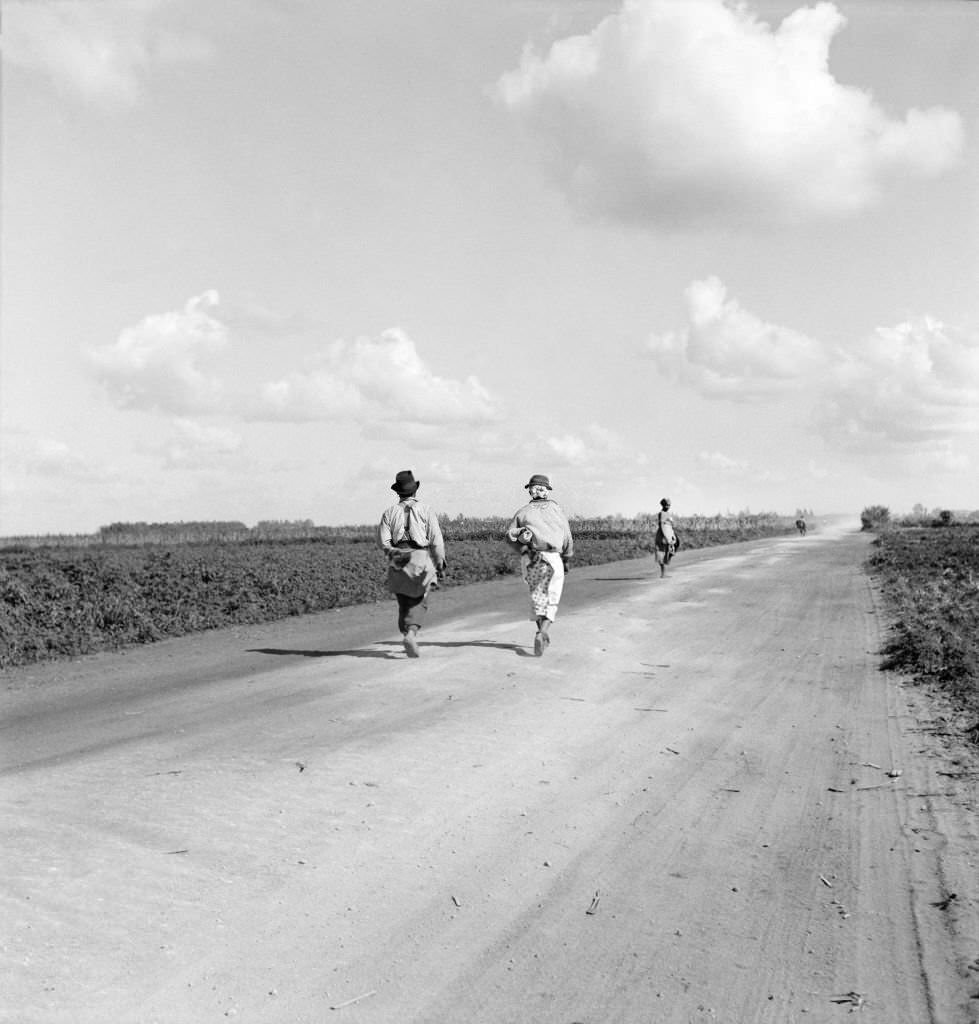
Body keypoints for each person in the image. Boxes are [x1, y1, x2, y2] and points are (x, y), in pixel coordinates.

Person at [377, 470, 446, 658]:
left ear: (398, 492)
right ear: (415, 491)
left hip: (397, 558)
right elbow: (436, 539)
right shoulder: (426, 510)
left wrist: (393, 553)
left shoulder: (389, 513)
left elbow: (384, 542)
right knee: (420, 599)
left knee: (403, 601)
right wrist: (440, 562)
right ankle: (410, 633)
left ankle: (405, 631)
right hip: (420, 557)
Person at [505, 474, 574, 656]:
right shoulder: (557, 510)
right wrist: (567, 557)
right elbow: (567, 537)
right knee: (552, 597)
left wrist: (522, 547)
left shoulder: (523, 512)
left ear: (530, 490)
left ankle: (540, 633)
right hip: (552, 557)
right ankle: (542, 632)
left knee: (537, 597)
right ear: (547, 490)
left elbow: (510, 535)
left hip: (531, 558)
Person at [655, 497, 679, 577]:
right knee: (661, 552)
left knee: (675, 545)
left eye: (669, 505)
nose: (668, 507)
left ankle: (665, 570)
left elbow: (671, 524)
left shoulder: (668, 514)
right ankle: (663, 573)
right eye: (666, 505)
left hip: (669, 532)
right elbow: (661, 525)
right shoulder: (661, 513)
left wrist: (672, 534)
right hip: (663, 534)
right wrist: (666, 536)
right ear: (663, 505)